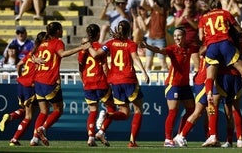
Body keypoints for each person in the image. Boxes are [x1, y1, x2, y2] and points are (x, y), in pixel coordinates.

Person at [194, 0, 242, 128]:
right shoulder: (225, 13)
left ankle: (208, 96)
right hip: (226, 44)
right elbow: (239, 30)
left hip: (212, 47)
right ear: (219, 5)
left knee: (210, 76)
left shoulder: (204, 18)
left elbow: (201, 37)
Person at [87, 20, 150, 148]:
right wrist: (144, 72)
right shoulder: (131, 44)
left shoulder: (110, 43)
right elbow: (135, 58)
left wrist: (88, 45)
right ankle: (132, 142)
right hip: (128, 80)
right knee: (138, 110)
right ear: (128, 31)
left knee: (125, 113)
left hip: (115, 82)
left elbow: (96, 54)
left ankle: (102, 128)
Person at [31, 21, 90, 146]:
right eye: (61, 29)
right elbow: (62, 54)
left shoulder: (42, 43)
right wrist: (81, 47)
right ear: (58, 31)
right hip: (49, 81)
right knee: (58, 110)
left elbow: (31, 56)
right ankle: (43, 128)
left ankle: (34, 139)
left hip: (38, 82)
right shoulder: (57, 42)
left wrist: (35, 59)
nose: (62, 31)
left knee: (43, 112)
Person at [141, 27, 196, 147]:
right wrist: (148, 47)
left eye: (179, 35)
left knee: (192, 110)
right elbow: (159, 50)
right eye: (175, 35)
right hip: (173, 84)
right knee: (173, 112)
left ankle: (179, 136)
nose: (176, 38)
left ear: (184, 36)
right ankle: (167, 139)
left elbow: (201, 47)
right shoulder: (172, 49)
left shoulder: (189, 47)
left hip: (185, 85)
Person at [0, 31, 46, 146]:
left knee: (28, 110)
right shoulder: (43, 54)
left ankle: (10, 117)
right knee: (29, 116)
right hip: (30, 86)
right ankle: (14, 139)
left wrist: (20, 76)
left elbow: (19, 64)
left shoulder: (31, 52)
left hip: (21, 84)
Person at [78, 24, 115, 147]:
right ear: (98, 34)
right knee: (111, 109)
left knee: (93, 111)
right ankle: (101, 131)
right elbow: (104, 67)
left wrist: (83, 79)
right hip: (100, 82)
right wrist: (109, 80)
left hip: (88, 83)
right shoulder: (100, 48)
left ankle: (90, 137)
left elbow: (80, 66)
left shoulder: (83, 49)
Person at [140, 0, 168, 71]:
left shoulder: (163, 10)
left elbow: (152, 5)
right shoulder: (153, 9)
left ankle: (166, 83)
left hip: (160, 39)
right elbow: (142, 4)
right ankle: (147, 82)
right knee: (148, 63)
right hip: (150, 38)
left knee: (163, 63)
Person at [174, 0, 201, 71]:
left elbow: (197, 26)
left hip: (193, 42)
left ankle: (199, 81)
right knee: (179, 63)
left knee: (197, 64)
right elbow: (176, 24)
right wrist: (183, 16)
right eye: (186, 0)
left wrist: (188, 18)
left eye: (190, 0)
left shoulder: (197, 13)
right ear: (184, 1)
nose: (188, 1)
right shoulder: (180, 12)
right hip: (181, 43)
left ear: (193, 2)